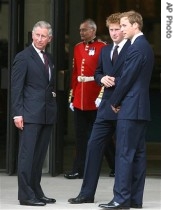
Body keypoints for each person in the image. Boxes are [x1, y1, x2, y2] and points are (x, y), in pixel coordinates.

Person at [68, 12, 130, 204]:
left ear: (124, 29)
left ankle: (124, 197)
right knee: (93, 147)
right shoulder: (106, 50)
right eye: (111, 30)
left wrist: (115, 82)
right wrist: (100, 78)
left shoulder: (131, 49)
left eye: (117, 29)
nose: (114, 33)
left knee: (123, 152)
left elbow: (134, 76)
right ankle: (86, 193)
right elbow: (96, 73)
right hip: (103, 107)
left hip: (122, 107)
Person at [98, 10, 154, 209]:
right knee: (137, 155)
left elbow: (128, 78)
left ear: (135, 25)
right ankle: (134, 199)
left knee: (123, 154)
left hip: (130, 108)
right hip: (139, 108)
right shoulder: (143, 46)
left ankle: (121, 199)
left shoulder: (137, 47)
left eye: (123, 26)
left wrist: (115, 101)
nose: (121, 30)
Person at [11, 21, 57, 206]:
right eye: (37, 35)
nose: (39, 39)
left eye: (43, 36)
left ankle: (36, 191)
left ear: (49, 39)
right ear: (32, 35)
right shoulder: (23, 57)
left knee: (38, 157)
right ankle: (25, 195)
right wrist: (17, 113)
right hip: (29, 114)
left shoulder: (49, 58)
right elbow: (16, 87)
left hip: (46, 114)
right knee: (27, 156)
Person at [64, 18, 116, 179]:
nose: (81, 33)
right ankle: (78, 169)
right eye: (80, 30)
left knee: (103, 136)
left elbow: (106, 73)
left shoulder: (103, 48)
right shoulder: (78, 48)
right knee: (80, 137)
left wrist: (102, 96)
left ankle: (115, 166)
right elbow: (75, 73)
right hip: (80, 98)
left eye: (84, 30)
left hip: (96, 98)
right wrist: (72, 97)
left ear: (93, 30)